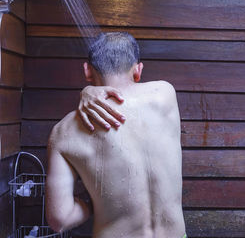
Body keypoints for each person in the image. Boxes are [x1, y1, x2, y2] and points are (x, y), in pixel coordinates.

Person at [46, 32, 186, 238]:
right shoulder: (164, 94)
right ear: (138, 70)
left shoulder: (63, 132)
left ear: (87, 71)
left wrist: (96, 205)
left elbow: (59, 219)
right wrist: (87, 90)